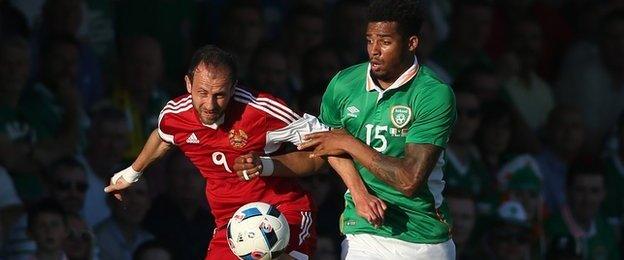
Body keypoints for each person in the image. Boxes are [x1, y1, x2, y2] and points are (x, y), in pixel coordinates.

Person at [104, 45, 381, 260]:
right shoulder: (175, 114)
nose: (209, 104)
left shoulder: (261, 111)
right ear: (188, 84)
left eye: (220, 94)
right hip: (231, 222)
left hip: (282, 212)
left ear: (234, 88)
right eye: (202, 92)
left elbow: (326, 149)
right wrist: (131, 173)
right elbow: (162, 137)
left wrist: (358, 192)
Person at [235, 0, 456, 258]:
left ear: (411, 43)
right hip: (363, 232)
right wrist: (266, 164)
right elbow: (321, 154)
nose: (374, 50)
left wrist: (349, 142)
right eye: (369, 40)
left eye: (385, 42)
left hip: (422, 238)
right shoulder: (344, 84)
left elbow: (408, 180)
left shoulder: (433, 94)